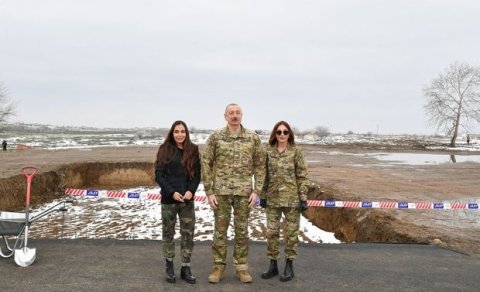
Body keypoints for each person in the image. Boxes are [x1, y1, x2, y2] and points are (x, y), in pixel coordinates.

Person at [202, 103, 265, 284]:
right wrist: (209, 191)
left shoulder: (252, 138)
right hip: (221, 193)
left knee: (242, 232)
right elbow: (206, 163)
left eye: (237, 113)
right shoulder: (216, 137)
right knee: (220, 232)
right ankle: (218, 267)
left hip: (244, 193)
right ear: (225, 116)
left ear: (242, 115)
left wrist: (257, 191)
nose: (235, 116)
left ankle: (241, 267)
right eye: (231, 113)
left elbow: (260, 165)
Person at [259, 121, 309, 282]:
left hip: (292, 199)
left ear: (289, 134)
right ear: (275, 134)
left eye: (285, 132)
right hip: (273, 199)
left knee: (291, 234)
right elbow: (264, 175)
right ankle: (273, 264)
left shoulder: (296, 151)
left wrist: (303, 197)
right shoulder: (268, 151)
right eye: (279, 132)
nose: (282, 135)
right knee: (271, 232)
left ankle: (289, 265)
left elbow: (302, 175)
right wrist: (262, 195)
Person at [155, 120, 201, 284]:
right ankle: (169, 267)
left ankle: (185, 268)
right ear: (172, 133)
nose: (180, 134)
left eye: (182, 131)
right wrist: (172, 193)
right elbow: (159, 176)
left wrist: (191, 191)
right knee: (168, 234)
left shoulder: (193, 150)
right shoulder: (164, 149)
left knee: (188, 235)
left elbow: (197, 175)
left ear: (186, 133)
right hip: (169, 201)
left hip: (187, 201)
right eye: (176, 131)